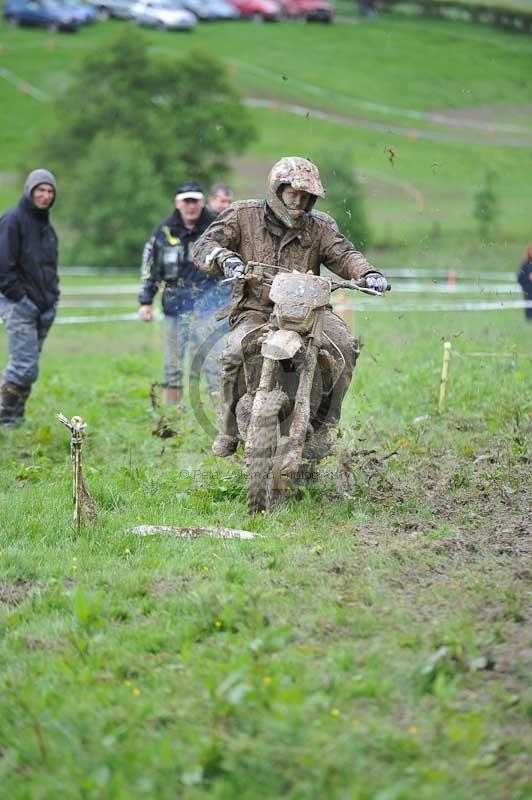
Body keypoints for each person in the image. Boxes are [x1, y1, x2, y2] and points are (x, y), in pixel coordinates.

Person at [193, 156, 388, 457]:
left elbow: (344, 254)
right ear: (277, 189)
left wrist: (367, 274)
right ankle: (229, 427)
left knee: (345, 347)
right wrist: (225, 258)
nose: (299, 201)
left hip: (310, 314)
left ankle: (325, 425)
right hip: (256, 309)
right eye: (293, 193)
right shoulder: (243, 215)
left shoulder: (321, 227)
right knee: (232, 352)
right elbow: (203, 246)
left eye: (306, 196)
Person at [138, 181, 222, 407]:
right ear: (177, 203)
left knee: (216, 365)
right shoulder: (164, 231)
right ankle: (173, 418)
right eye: (186, 201)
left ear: (202, 202)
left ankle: (224, 420)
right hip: (174, 309)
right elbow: (152, 268)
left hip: (211, 309)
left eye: (195, 201)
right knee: (172, 366)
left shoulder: (217, 227)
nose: (191, 206)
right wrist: (145, 301)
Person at [0, 169, 59, 427]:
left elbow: (49, 267)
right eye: (40, 190)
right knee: (23, 366)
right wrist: (21, 300)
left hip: (44, 308)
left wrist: (53, 298)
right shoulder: (13, 220)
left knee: (29, 367)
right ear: (29, 191)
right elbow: (3, 267)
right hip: (20, 306)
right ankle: (5, 418)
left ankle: (15, 418)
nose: (45, 196)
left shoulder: (46, 226)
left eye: (49, 192)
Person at [517, 244, 532, 321]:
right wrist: (529, 278)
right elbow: (519, 278)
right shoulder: (525, 265)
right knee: (529, 308)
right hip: (528, 291)